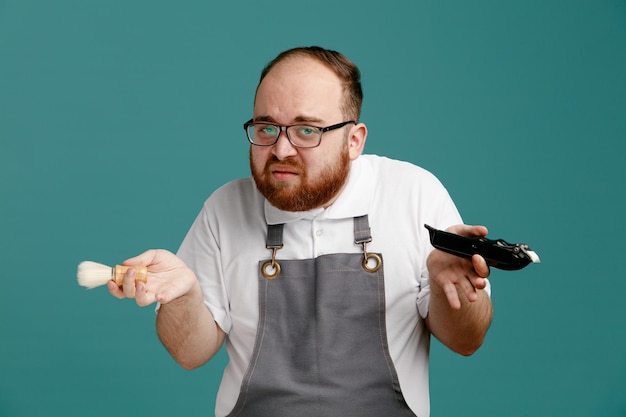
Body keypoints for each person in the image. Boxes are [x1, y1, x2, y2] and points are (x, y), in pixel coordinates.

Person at [108, 46, 493, 417]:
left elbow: (466, 341)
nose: (281, 150)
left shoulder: (413, 194)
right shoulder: (224, 209)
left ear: (354, 139)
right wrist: (183, 296)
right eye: (267, 127)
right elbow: (189, 353)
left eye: (306, 130)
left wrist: (454, 289)